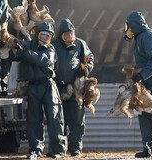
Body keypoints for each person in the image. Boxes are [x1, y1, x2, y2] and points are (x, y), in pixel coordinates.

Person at [122, 11, 152, 158]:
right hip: (146, 84)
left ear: (133, 25)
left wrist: (141, 75)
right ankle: (149, 148)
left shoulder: (148, 36)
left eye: (128, 26)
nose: (127, 29)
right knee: (143, 113)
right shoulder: (139, 38)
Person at [15, 22, 66, 159]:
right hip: (33, 86)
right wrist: (12, 42)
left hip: (48, 85)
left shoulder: (51, 50)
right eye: (43, 35)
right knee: (34, 119)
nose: (45, 38)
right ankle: (35, 150)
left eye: (48, 36)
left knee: (54, 118)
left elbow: (41, 59)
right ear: (37, 34)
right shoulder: (27, 45)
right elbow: (14, 51)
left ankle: (57, 150)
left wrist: (24, 52)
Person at [51, 19, 94, 157]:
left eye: (72, 34)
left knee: (77, 119)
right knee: (58, 120)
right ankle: (59, 149)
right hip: (58, 88)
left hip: (76, 88)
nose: (70, 37)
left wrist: (86, 69)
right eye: (66, 35)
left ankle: (75, 148)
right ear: (60, 35)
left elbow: (90, 58)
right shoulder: (53, 45)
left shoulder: (80, 44)